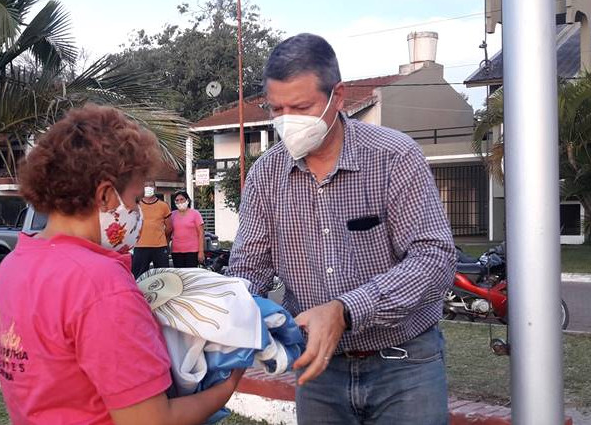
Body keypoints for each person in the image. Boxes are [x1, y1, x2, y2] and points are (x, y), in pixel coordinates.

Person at [226, 33, 456, 425]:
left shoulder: (393, 156)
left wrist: (346, 311)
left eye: (301, 107)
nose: (287, 121)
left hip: (404, 363)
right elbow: (250, 265)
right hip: (318, 367)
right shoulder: (266, 175)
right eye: (277, 109)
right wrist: (228, 309)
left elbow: (434, 257)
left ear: (339, 96)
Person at [0, 105, 243, 425]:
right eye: (134, 200)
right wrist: (227, 385)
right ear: (106, 196)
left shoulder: (10, 268)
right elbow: (152, 422)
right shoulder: (100, 285)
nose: (136, 213)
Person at [132, 180, 172, 278]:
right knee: (139, 277)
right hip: (140, 246)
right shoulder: (135, 206)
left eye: (151, 185)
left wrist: (164, 240)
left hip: (160, 247)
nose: (148, 187)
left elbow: (169, 227)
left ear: (155, 188)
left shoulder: (163, 206)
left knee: (163, 276)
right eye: (146, 185)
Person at [168, 191, 204, 269]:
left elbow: (201, 233)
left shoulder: (195, 214)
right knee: (179, 274)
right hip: (176, 251)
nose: (179, 202)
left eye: (182, 199)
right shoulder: (172, 215)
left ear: (187, 200)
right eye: (177, 200)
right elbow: (169, 231)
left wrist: (201, 252)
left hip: (192, 251)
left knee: (191, 274)